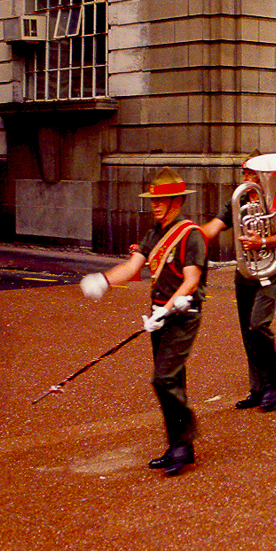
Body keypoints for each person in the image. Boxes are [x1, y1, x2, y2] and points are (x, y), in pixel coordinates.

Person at [80, 168, 207, 477]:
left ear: (177, 201)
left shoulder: (191, 234)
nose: (155, 205)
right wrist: (104, 280)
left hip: (182, 313)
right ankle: (180, 444)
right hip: (158, 315)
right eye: (153, 200)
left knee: (162, 378)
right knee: (172, 379)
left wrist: (167, 309)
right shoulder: (153, 233)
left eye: (161, 200)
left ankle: (184, 439)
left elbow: (191, 280)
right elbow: (133, 266)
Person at [201, 151, 276, 413]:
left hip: (271, 269)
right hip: (246, 271)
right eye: (243, 173)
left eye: (250, 173)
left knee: (258, 325)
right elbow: (215, 226)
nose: (245, 178)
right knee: (247, 332)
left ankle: (273, 379)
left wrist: (263, 242)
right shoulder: (240, 198)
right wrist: (189, 236)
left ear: (262, 175)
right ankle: (257, 388)